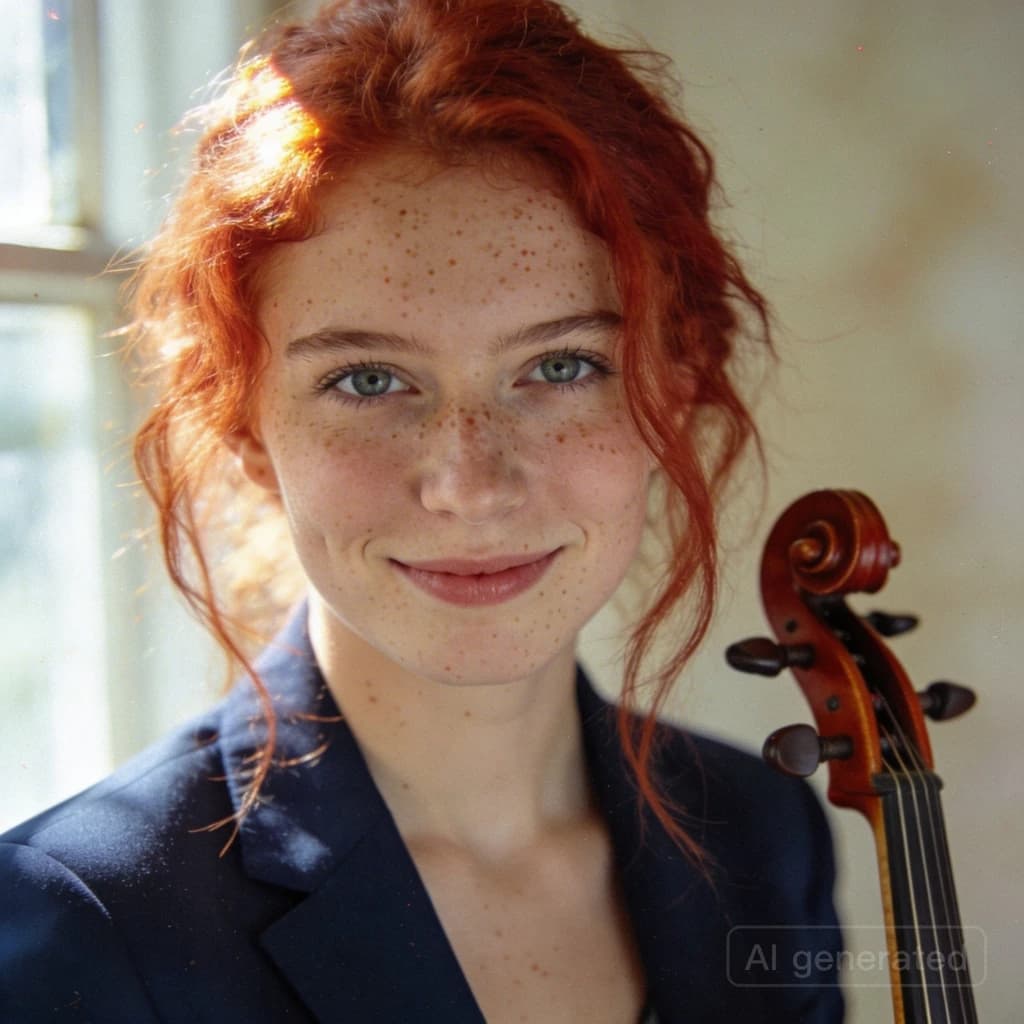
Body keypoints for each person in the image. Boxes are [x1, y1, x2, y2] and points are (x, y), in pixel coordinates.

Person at [0, 1, 844, 1021]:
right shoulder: (84, 917)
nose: (470, 482)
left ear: (672, 384)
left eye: (561, 364)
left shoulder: (760, 835)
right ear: (246, 428)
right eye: (365, 380)